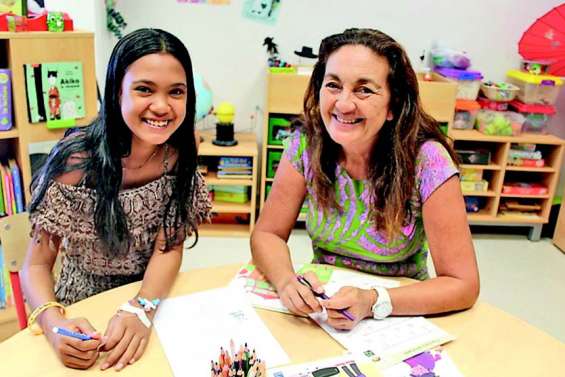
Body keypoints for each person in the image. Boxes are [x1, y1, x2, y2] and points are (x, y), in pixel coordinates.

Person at [251, 28, 479, 331]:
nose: (343, 104)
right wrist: (286, 281)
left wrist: (373, 301)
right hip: (327, 312)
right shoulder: (306, 145)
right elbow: (267, 234)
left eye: (364, 90)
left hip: (398, 311)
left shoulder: (429, 161)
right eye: (333, 85)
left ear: (393, 105)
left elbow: (463, 285)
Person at [21, 28, 211, 371]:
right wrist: (52, 325)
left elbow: (169, 247)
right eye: (144, 89)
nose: (162, 106)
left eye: (176, 92)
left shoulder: (182, 150)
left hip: (153, 291)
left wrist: (142, 306)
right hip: (84, 300)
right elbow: (34, 265)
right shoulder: (77, 161)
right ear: (116, 91)